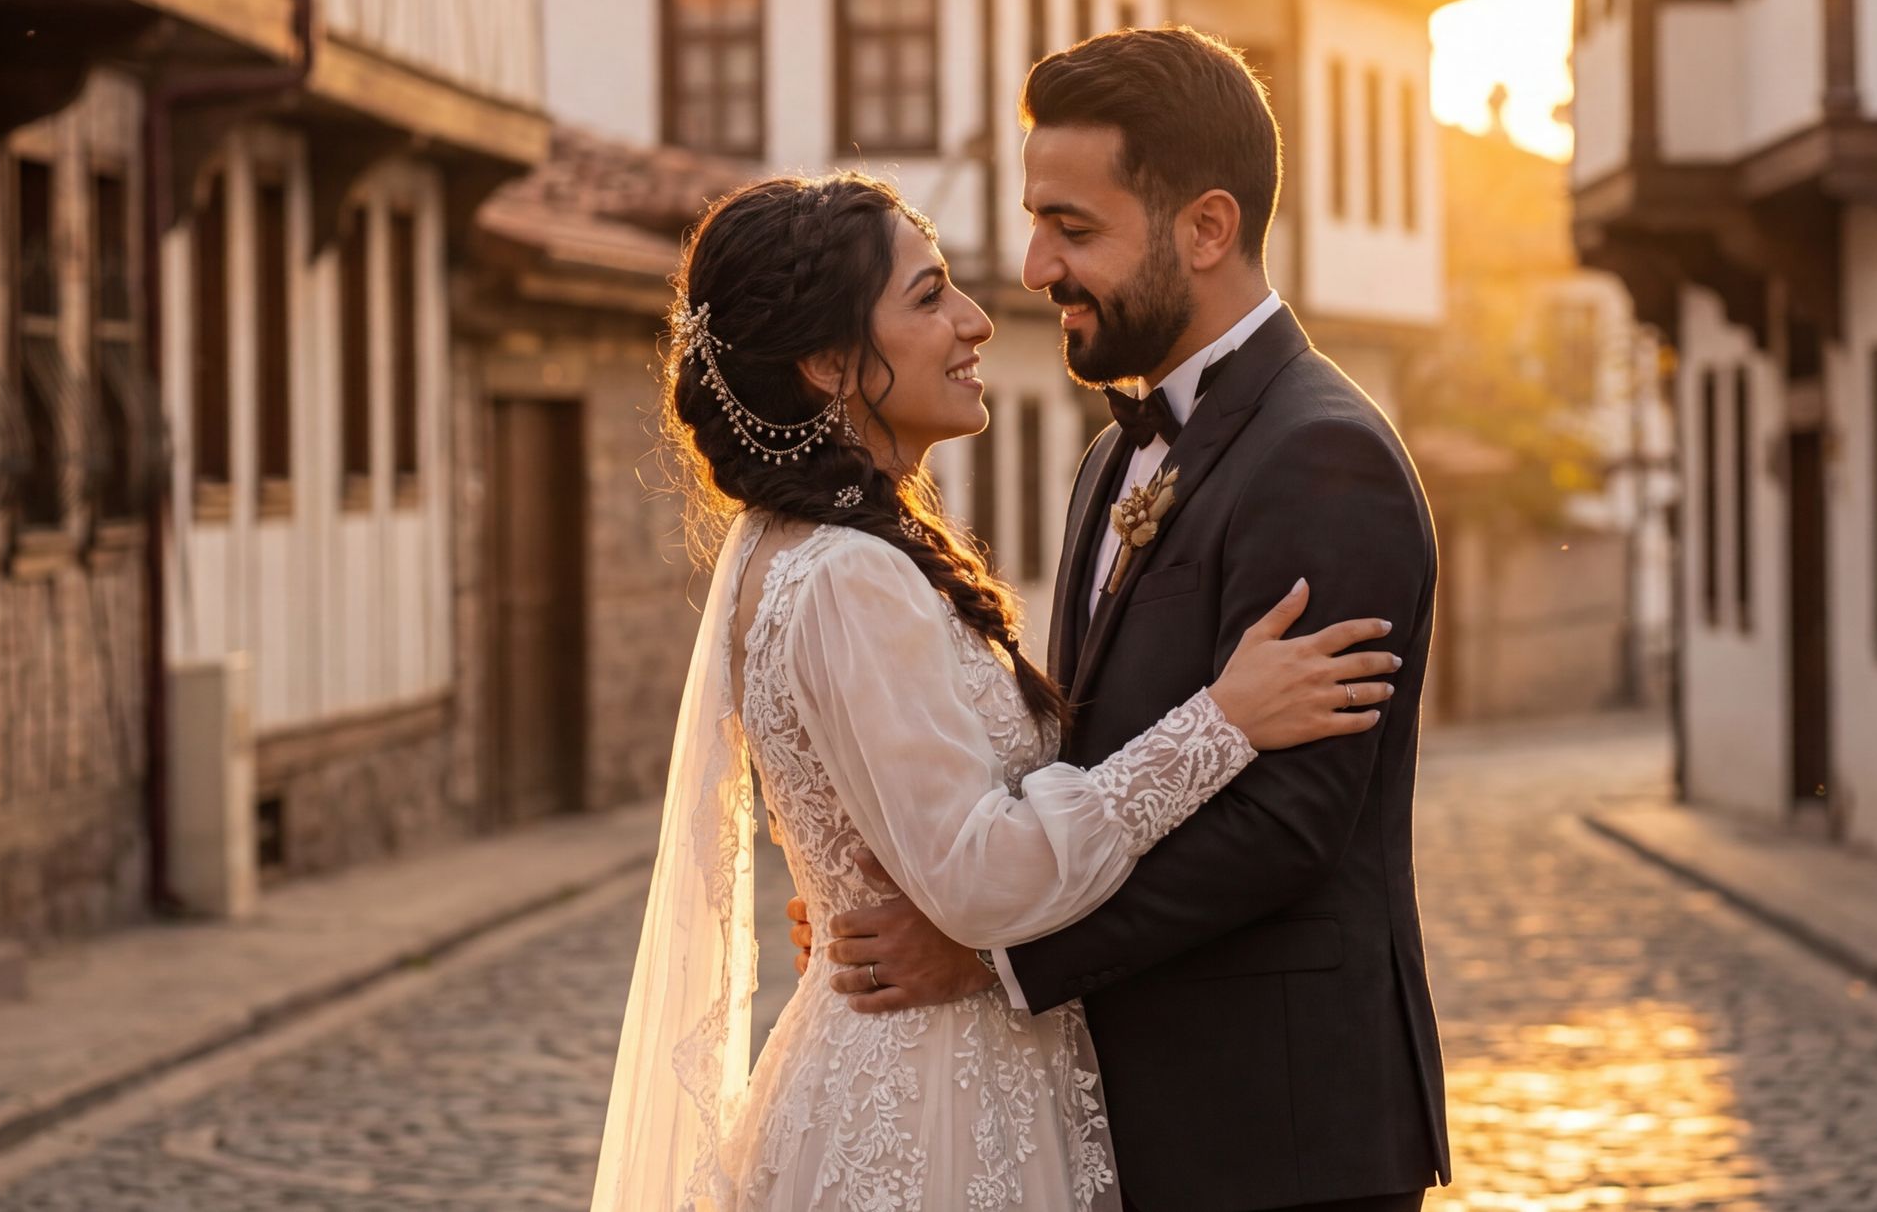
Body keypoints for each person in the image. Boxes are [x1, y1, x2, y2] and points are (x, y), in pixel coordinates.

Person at [589, 171, 1401, 1212]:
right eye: (929, 297)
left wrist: (862, 883)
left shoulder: (789, 552)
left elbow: (908, 828)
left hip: (921, 1060)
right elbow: (977, 877)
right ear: (831, 363)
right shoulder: (848, 572)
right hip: (931, 1105)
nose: (977, 320)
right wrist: (1223, 722)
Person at [795, 28, 1450, 1212]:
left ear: (1206, 228)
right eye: (1039, 222)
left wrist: (992, 956)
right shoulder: (1112, 458)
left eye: (1075, 228)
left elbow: (1288, 827)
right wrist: (913, 866)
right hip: (1130, 1121)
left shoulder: (1325, 457)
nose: (1037, 265)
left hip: (1278, 1136)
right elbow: (1087, 758)